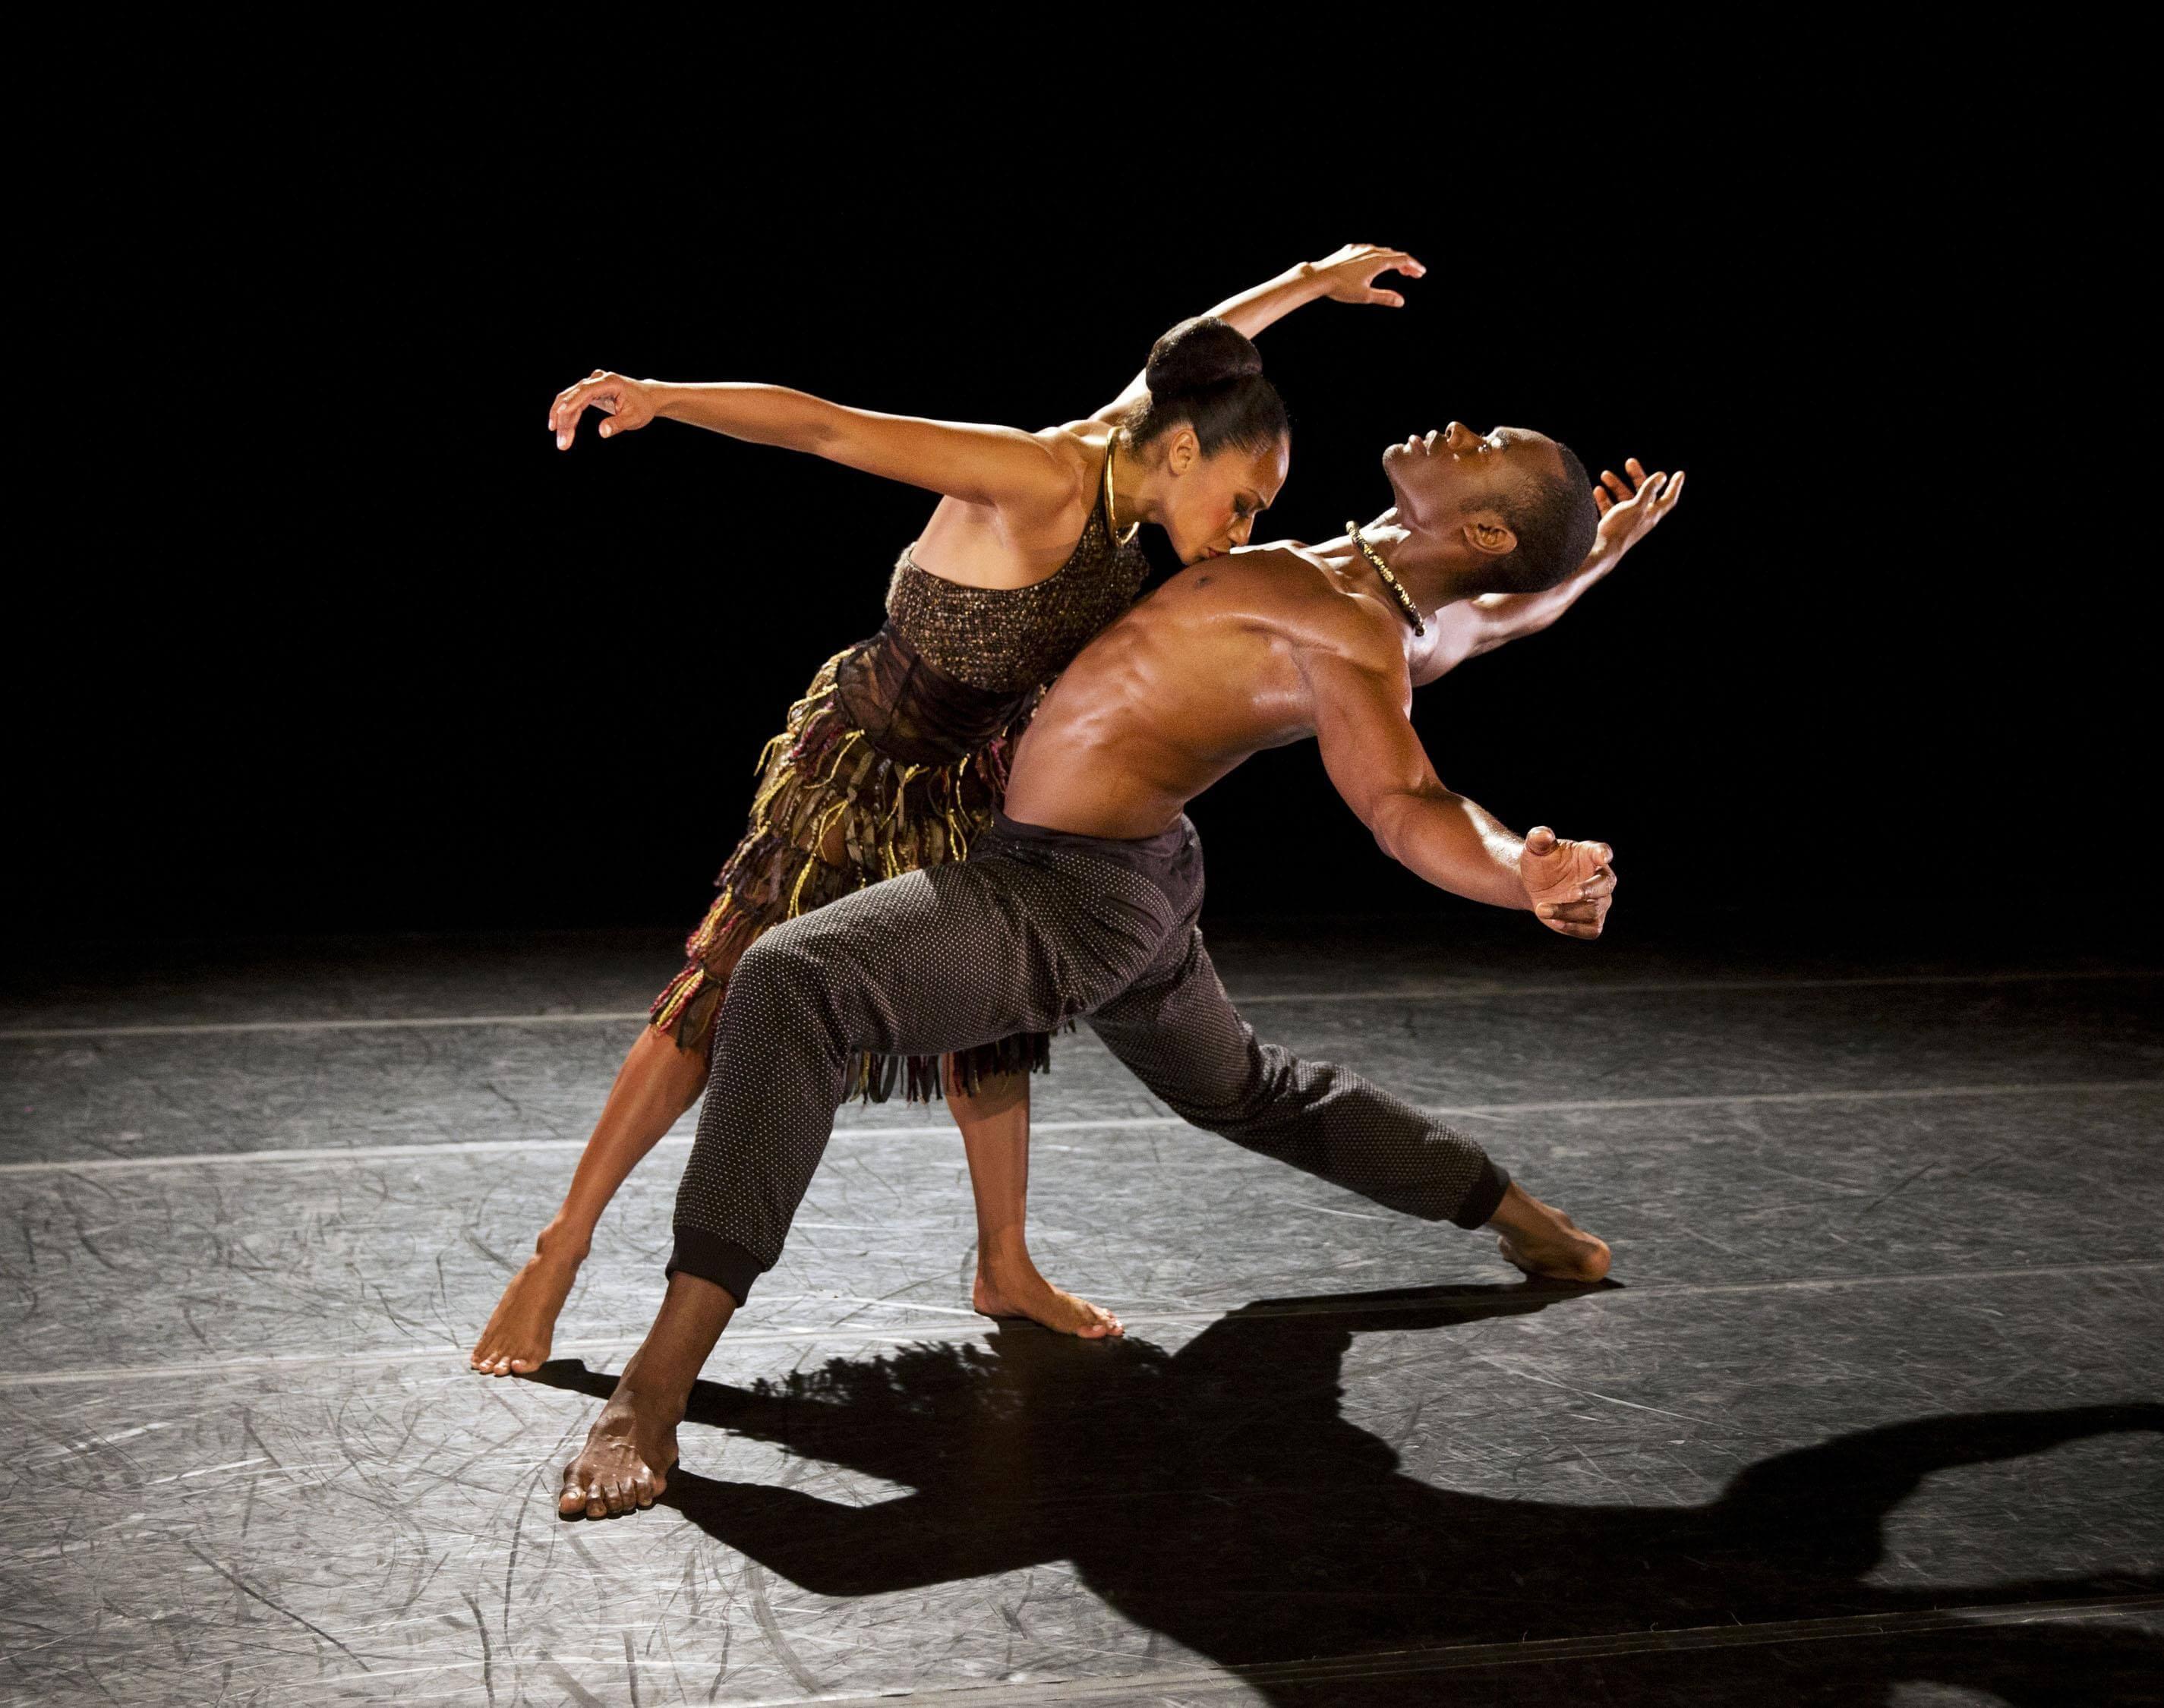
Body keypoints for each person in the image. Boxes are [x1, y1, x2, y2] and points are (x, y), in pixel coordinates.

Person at [554, 418, 1688, 1517]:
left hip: (1063, 895)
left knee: (794, 979)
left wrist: (1519, 875)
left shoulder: (1354, 632)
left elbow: (1406, 804)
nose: (1455, 428)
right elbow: (1508, 614)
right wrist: (1602, 550)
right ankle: (1524, 1218)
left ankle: (653, 1388)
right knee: (1248, 1091)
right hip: (1134, 871)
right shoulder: (1387, 582)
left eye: (1483, 446)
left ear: (1484, 531)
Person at [468, 247, 1432, 1376]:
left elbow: (1205, 340)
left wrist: (1314, 279)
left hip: (983, 770)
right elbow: (825, 426)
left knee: (997, 1017)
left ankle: (1004, 1263)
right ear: (1183, 453)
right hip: (865, 763)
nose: (1244, 525)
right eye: (1244, 499)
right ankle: (559, 1246)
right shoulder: (1041, 479)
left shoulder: (1152, 440)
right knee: (719, 998)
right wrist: (662, 399)